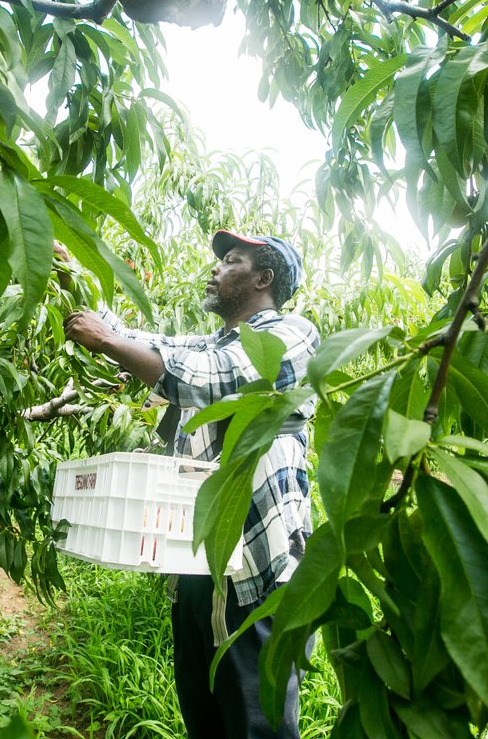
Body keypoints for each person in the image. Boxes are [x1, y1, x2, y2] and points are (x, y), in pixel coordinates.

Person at [63, 229, 319, 739]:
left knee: (258, 726)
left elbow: (208, 376)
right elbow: (150, 343)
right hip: (198, 566)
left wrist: (111, 342)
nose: (216, 268)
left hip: (258, 570)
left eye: (231, 260)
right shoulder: (211, 342)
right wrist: (72, 272)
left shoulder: (292, 335)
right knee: (204, 718)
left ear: (263, 278)